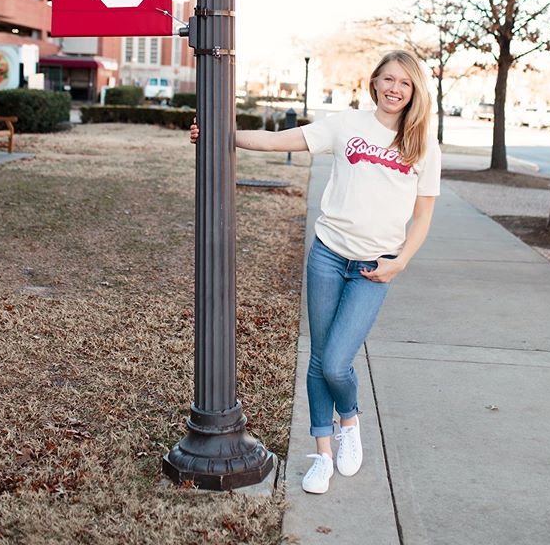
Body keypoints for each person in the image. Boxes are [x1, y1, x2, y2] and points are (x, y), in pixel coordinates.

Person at [189, 49, 441, 494]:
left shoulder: (423, 144)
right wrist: (220, 133)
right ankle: (322, 453)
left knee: (338, 364)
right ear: (375, 82)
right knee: (320, 359)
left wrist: (400, 261)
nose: (394, 88)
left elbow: (422, 217)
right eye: (387, 79)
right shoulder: (346, 125)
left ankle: (351, 419)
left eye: (404, 82)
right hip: (327, 256)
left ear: (415, 90)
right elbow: (282, 140)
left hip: (372, 267)